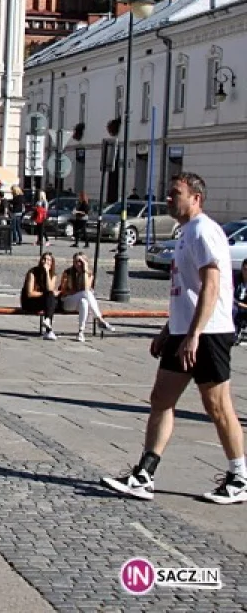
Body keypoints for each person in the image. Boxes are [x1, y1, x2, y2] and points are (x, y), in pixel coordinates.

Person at [102, 172, 247, 505]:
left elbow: (212, 287)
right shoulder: (185, 233)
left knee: (217, 406)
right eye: (168, 194)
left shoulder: (203, 231)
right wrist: (169, 330)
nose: (168, 199)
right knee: (161, 399)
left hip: (208, 332)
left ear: (195, 197)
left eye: (175, 194)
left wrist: (194, 334)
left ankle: (239, 476)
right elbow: (187, 292)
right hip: (184, 331)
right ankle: (144, 475)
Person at [57, 252, 114, 342]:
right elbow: (63, 291)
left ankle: (81, 332)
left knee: (84, 301)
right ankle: (99, 319)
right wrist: (76, 292)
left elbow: (86, 288)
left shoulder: (89, 274)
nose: (77, 264)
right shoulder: (67, 272)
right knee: (86, 294)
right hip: (67, 301)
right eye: (75, 261)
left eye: (80, 261)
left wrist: (84, 271)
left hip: (80, 301)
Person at [21, 252, 59, 341]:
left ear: (52, 262)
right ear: (41, 260)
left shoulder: (53, 275)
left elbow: (49, 288)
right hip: (30, 302)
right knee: (50, 297)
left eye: (49, 260)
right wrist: (45, 294)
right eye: (44, 259)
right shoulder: (33, 272)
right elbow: (30, 293)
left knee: (51, 299)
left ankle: (48, 323)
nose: (46, 262)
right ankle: (49, 330)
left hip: (44, 301)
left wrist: (46, 273)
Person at [235, 258, 247, 346]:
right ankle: (236, 332)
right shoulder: (236, 278)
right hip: (236, 304)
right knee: (234, 310)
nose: (246, 272)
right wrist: (237, 303)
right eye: (245, 269)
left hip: (245, 305)